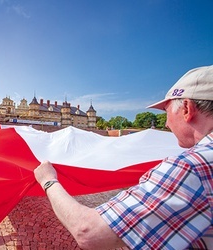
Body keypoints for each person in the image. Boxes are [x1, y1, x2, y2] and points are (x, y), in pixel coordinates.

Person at [34, 65, 213, 249]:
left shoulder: (191, 167)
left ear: (186, 109)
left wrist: (48, 180)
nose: (166, 124)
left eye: (166, 111)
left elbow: (88, 232)